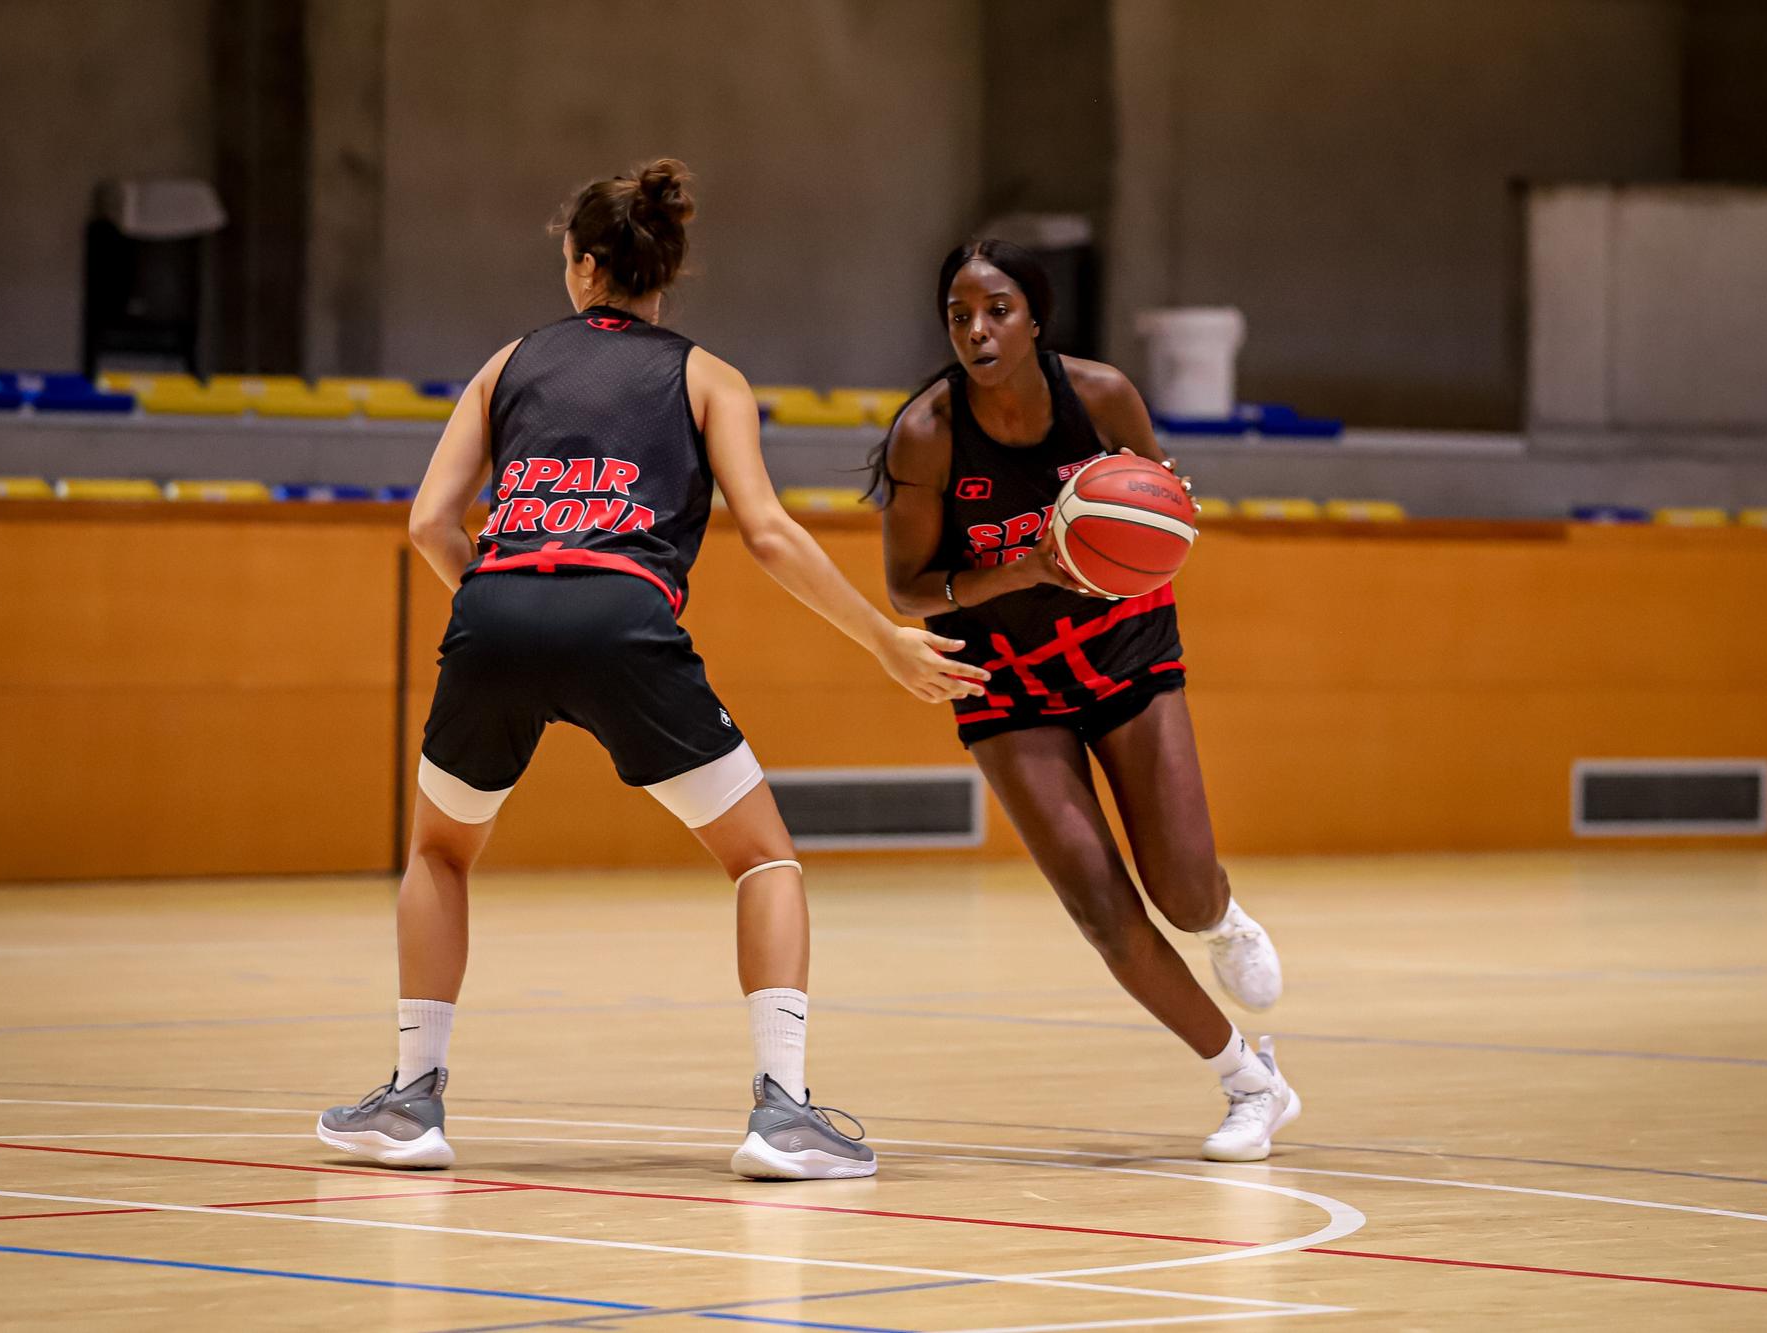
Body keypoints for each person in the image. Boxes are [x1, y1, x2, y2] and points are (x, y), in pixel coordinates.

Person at [318, 160, 988, 1179]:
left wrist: (505, 608)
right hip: (626, 617)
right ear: (659, 272)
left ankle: (411, 1102)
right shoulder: (708, 376)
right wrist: (883, 639)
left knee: (441, 851)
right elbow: (765, 532)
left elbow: (427, 523)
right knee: (762, 859)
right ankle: (781, 1113)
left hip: (495, 604)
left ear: (585, 268)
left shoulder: (507, 364)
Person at [871, 239, 1297, 1161]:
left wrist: (1146, 523)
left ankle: (1221, 918)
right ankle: (1251, 1083)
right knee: (1102, 907)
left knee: (1180, 892)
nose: (977, 330)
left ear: (1036, 318)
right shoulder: (929, 433)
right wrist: (1022, 565)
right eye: (959, 315)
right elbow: (908, 589)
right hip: (1007, 681)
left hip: (1125, 647)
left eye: (997, 310)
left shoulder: (1101, 397)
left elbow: (1164, 516)